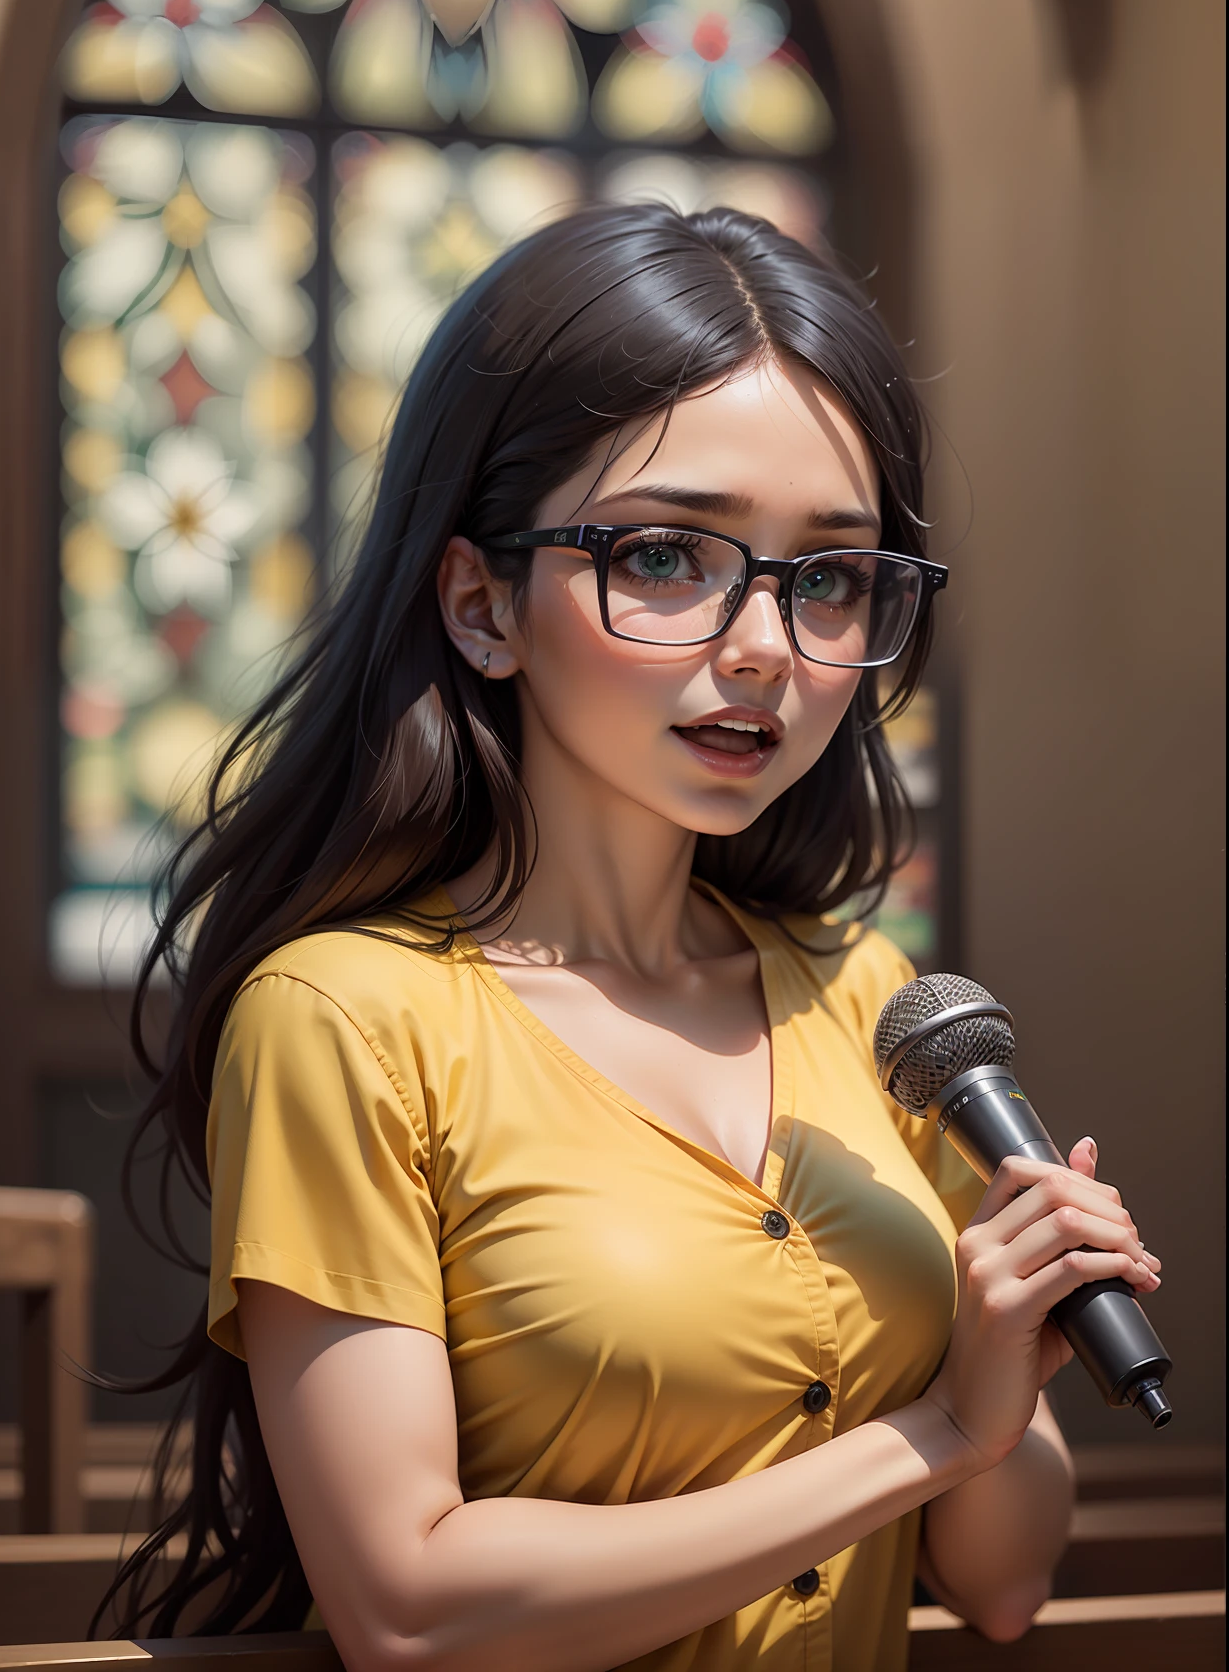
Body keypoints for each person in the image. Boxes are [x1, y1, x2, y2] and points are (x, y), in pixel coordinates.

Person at [106, 206, 1160, 1669]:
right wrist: (930, 1435)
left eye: (833, 576)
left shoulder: (874, 1000)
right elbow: (410, 1611)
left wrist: (1004, 1358)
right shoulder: (345, 1017)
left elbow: (1001, 1588)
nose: (764, 648)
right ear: (481, 603)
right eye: (668, 556)